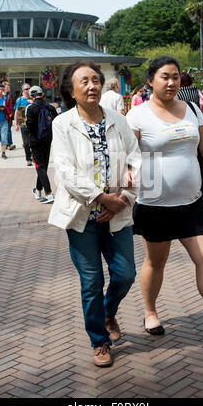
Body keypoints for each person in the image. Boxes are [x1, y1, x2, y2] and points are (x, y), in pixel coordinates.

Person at [126, 56, 203, 341]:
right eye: (165, 77)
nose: (171, 82)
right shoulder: (138, 116)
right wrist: (126, 180)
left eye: (176, 77)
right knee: (156, 262)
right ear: (150, 81)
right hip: (154, 202)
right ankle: (150, 311)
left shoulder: (192, 109)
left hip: (192, 201)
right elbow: (127, 158)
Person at [48, 60, 141, 367]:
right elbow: (65, 170)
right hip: (82, 216)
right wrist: (102, 198)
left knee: (126, 274)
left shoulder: (118, 119)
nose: (91, 86)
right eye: (84, 82)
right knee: (91, 281)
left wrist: (123, 198)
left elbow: (136, 159)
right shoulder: (63, 124)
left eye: (96, 80)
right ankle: (99, 341)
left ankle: (107, 311)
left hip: (118, 212)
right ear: (71, 91)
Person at [26, 85, 58, 204]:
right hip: (47, 140)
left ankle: (49, 194)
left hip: (35, 141)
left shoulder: (31, 108)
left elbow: (29, 126)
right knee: (42, 166)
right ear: (42, 94)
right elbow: (56, 122)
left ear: (31, 96)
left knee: (40, 167)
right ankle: (38, 191)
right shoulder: (50, 107)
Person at [14, 83, 33, 166]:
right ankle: (28, 159)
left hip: (32, 122)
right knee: (26, 143)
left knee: (33, 141)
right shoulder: (20, 100)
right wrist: (15, 124)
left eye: (29, 88)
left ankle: (33, 155)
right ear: (23, 91)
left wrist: (32, 102)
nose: (28, 90)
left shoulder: (32, 98)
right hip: (23, 122)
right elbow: (17, 112)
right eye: (26, 89)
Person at [3, 81, 16, 150]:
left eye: (9, 87)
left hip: (9, 115)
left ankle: (10, 144)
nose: (8, 88)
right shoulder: (0, 95)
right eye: (7, 87)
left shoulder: (10, 95)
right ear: (4, 88)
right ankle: (6, 143)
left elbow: (14, 103)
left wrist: (12, 112)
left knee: (8, 129)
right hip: (2, 115)